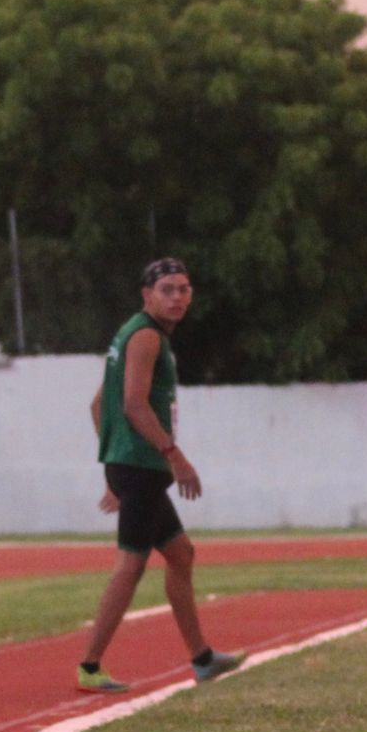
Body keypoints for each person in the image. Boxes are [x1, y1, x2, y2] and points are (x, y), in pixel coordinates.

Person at [77, 258, 244, 691]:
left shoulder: (133, 332)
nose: (177, 297)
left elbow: (100, 405)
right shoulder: (147, 336)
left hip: (132, 465)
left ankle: (203, 658)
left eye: (184, 289)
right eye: (167, 289)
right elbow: (133, 405)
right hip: (143, 465)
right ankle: (90, 668)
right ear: (146, 294)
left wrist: (112, 468)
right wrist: (175, 456)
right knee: (130, 566)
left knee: (181, 554)